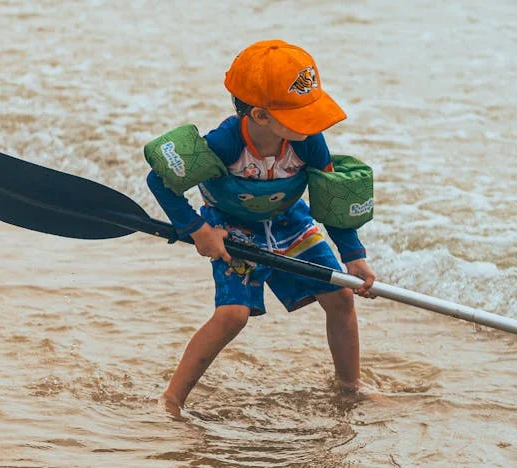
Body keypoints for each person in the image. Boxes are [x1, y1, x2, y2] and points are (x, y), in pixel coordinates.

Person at [144, 39, 376, 414]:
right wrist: (197, 230)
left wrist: (353, 256)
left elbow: (332, 201)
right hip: (231, 225)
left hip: (289, 219)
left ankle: (350, 386)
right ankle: (171, 399)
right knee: (232, 315)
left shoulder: (310, 144)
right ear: (260, 116)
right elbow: (160, 181)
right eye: (301, 114)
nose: (313, 122)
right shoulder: (224, 143)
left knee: (341, 297)